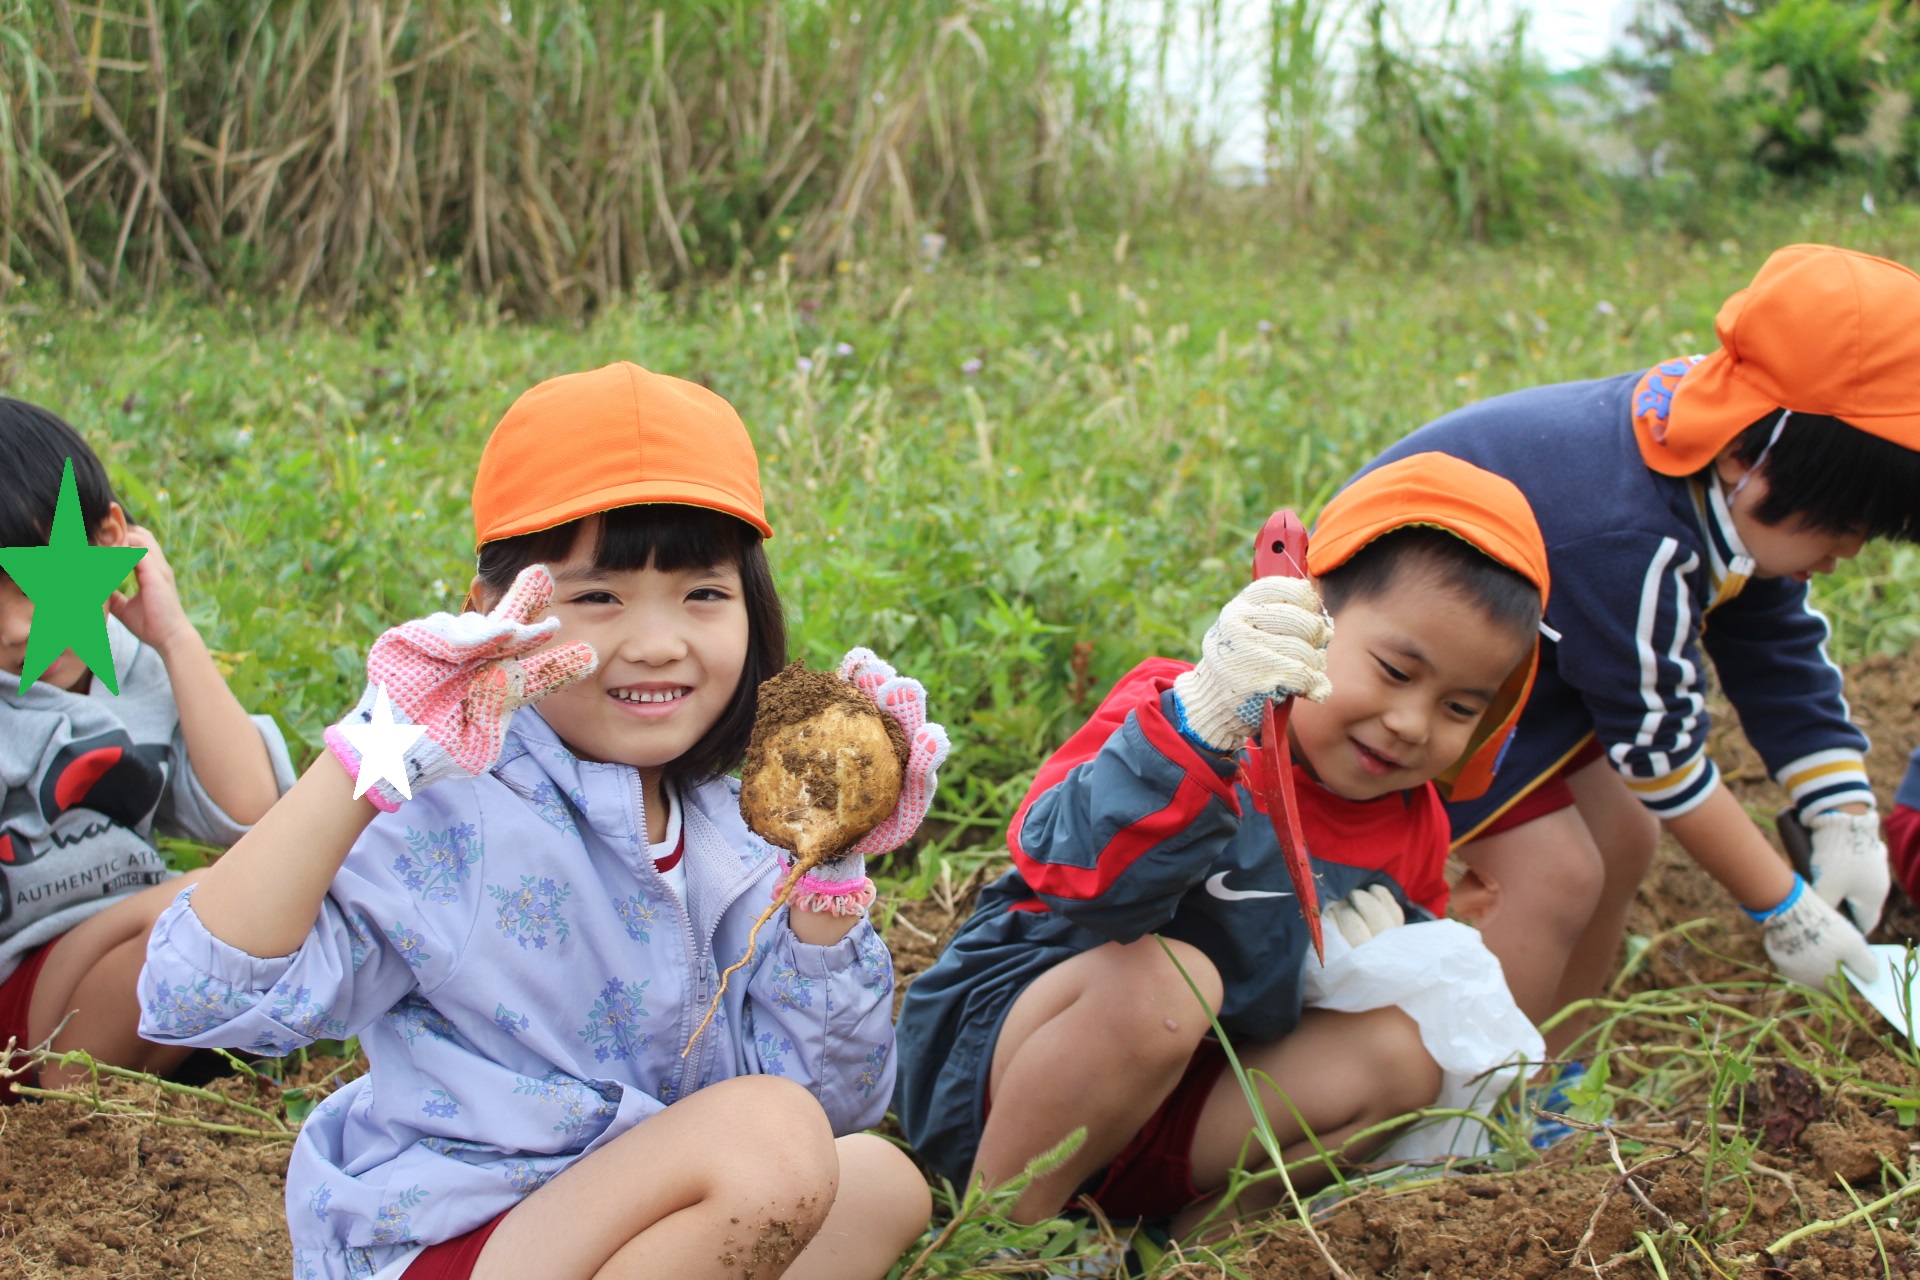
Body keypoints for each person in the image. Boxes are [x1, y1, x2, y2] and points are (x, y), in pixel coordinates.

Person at [137, 364, 939, 1280]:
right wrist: (366, 757)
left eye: (703, 594)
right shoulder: (456, 812)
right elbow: (195, 999)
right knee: (772, 1139)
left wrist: (826, 878)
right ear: (491, 614)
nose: (658, 642)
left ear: (751, 606)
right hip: (463, 1242)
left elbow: (833, 1103)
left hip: (640, 1220)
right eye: (598, 596)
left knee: (877, 1180)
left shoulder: (739, 824)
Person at [895, 453, 1548, 1232]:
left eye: (1460, 708)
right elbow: (1071, 872)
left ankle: (1196, 1246)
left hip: (1183, 1109)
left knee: (1410, 1055)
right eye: (1396, 671)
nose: (1412, 723)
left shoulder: (1414, 823)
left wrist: (1387, 964)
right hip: (1004, 1082)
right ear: (1308, 611)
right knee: (1170, 986)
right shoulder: (1181, 709)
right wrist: (1201, 730)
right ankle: (1002, 1234)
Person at [1358, 244, 1920, 1058]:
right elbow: (1660, 755)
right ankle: (1466, 1102)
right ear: (1750, 458)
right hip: (1411, 675)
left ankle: (1560, 1067)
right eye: (1842, 522)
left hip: (1530, 655)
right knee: (1552, 876)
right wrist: (1784, 909)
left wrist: (1844, 812)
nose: (1850, 550)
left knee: (1627, 837)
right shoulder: (1634, 540)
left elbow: (1771, 639)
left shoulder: (1722, 450)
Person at [0, 397, 295, 1094]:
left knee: (266, 893)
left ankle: (144, 1087)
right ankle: (67, 1092)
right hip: (24, 1005)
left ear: (109, 543)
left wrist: (175, 638)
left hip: (136, 966)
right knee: (213, 905)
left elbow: (253, 813)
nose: (15, 629)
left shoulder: (139, 669)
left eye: (36, 585)